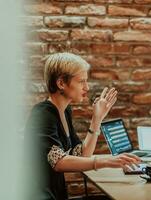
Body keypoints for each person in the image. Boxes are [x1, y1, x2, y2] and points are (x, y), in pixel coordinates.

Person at [25, 52, 141, 200]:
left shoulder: (65, 111)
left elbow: (82, 154)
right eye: (81, 81)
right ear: (61, 83)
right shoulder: (43, 114)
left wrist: (97, 119)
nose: (86, 87)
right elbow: (58, 162)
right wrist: (106, 161)